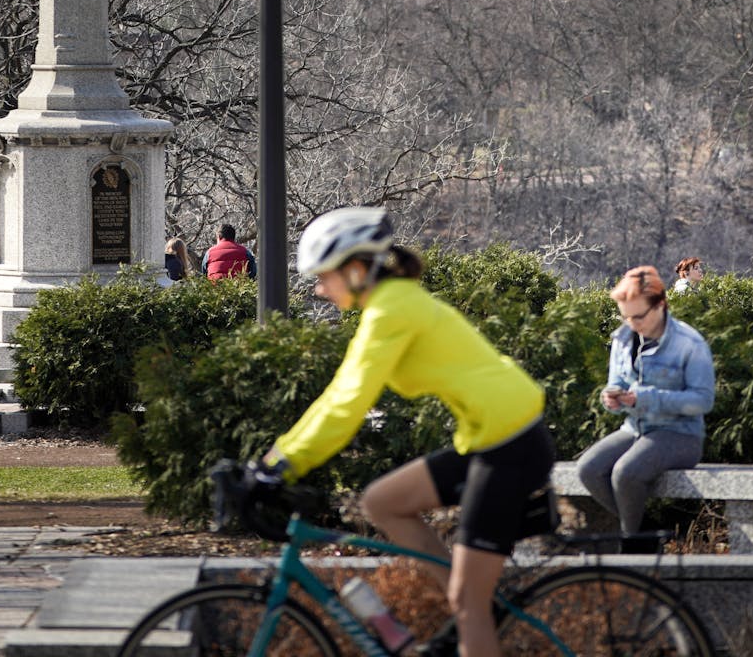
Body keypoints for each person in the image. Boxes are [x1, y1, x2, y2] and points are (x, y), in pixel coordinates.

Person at [260, 207, 553, 657]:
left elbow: (347, 400)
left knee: (469, 603)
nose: (319, 289)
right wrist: (282, 456)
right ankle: (466, 596)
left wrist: (282, 461)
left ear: (357, 269)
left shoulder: (391, 310)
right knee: (383, 503)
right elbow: (343, 392)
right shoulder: (388, 304)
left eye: (324, 276)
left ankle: (469, 603)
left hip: (510, 446)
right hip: (487, 437)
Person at [577, 265, 714, 547]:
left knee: (626, 472)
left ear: (660, 305)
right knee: (588, 469)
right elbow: (615, 382)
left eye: (638, 316)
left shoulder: (689, 343)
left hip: (681, 435)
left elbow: (702, 400)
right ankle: (648, 534)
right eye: (625, 316)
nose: (632, 323)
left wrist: (647, 398)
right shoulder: (622, 338)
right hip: (634, 428)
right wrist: (612, 397)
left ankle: (632, 546)